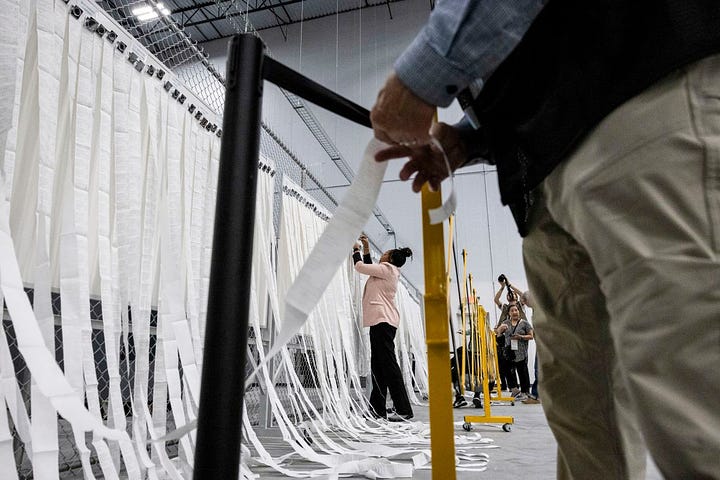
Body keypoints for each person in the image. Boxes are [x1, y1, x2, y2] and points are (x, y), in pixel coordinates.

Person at [369, 1, 720, 478]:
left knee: (692, 398)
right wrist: (471, 139)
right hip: (542, 174)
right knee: (583, 412)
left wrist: (422, 74)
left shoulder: (382, 269)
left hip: (632, 94)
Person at [353, 235, 414, 422]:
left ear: (390, 259)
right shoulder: (387, 271)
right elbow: (371, 268)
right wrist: (366, 247)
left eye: (385, 254)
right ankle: (377, 409)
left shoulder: (388, 269)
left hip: (383, 322)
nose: (382, 255)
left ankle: (404, 409)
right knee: (378, 367)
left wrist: (355, 250)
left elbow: (361, 267)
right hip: (382, 322)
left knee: (388, 366)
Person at [495, 304, 533, 401]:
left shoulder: (524, 323)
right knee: (508, 371)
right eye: (512, 311)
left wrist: (521, 337)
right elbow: (498, 336)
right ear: (509, 313)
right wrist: (499, 331)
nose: (514, 312)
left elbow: (531, 336)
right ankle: (514, 390)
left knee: (522, 372)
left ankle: (525, 391)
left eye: (516, 310)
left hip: (521, 352)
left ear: (518, 311)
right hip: (509, 352)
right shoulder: (505, 323)